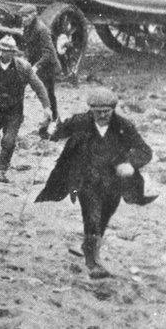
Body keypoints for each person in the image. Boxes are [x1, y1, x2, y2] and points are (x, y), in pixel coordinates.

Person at [35, 88, 156, 279]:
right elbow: (55, 133)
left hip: (114, 182)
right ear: (90, 109)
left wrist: (130, 164)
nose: (101, 116)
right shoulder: (80, 121)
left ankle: (89, 246)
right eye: (97, 111)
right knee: (91, 215)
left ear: (113, 109)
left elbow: (145, 151)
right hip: (85, 178)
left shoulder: (124, 126)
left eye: (105, 111)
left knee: (104, 217)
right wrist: (46, 129)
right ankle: (94, 263)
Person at [0, 35, 52, 182]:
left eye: (6, 51)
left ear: (13, 52)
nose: (2, 53)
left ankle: (1, 170)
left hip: (13, 111)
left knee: (9, 141)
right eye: (0, 49)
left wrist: (46, 107)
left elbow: (39, 87)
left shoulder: (24, 67)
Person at [19, 5, 60, 120]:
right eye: (22, 17)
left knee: (48, 94)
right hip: (34, 63)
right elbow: (28, 46)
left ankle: (54, 119)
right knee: (18, 87)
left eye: (26, 16)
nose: (23, 19)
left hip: (47, 66)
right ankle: (18, 116)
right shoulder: (27, 27)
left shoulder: (41, 29)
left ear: (34, 15)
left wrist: (36, 66)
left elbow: (49, 53)